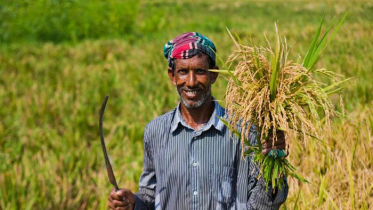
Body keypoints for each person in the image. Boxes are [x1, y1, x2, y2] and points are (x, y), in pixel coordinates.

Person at [108, 32, 288, 210]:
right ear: (172, 76)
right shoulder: (155, 131)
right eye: (183, 72)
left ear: (213, 75)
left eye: (200, 71)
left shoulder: (244, 131)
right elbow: (150, 196)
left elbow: (262, 205)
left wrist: (272, 166)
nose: (192, 82)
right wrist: (133, 203)